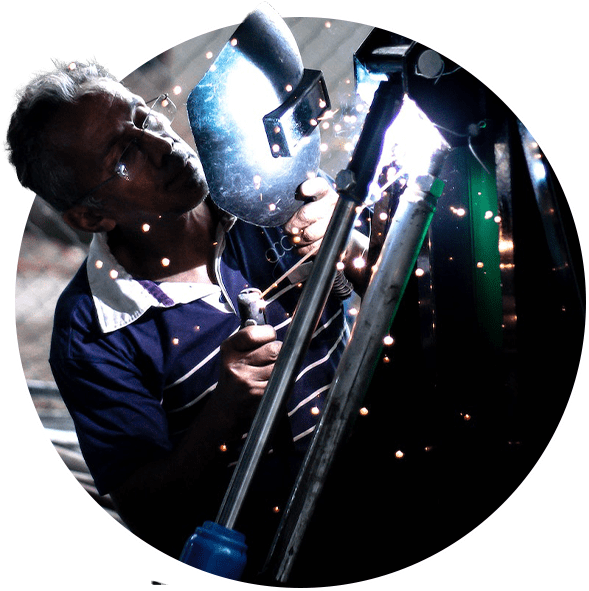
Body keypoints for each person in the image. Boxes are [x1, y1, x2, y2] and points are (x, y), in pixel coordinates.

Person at [5, 58, 369, 578]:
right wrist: (227, 407)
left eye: (145, 116)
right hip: (280, 558)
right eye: (125, 154)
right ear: (90, 216)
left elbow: (410, 292)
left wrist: (351, 242)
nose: (163, 144)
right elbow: (148, 514)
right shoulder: (91, 331)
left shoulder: (268, 189)